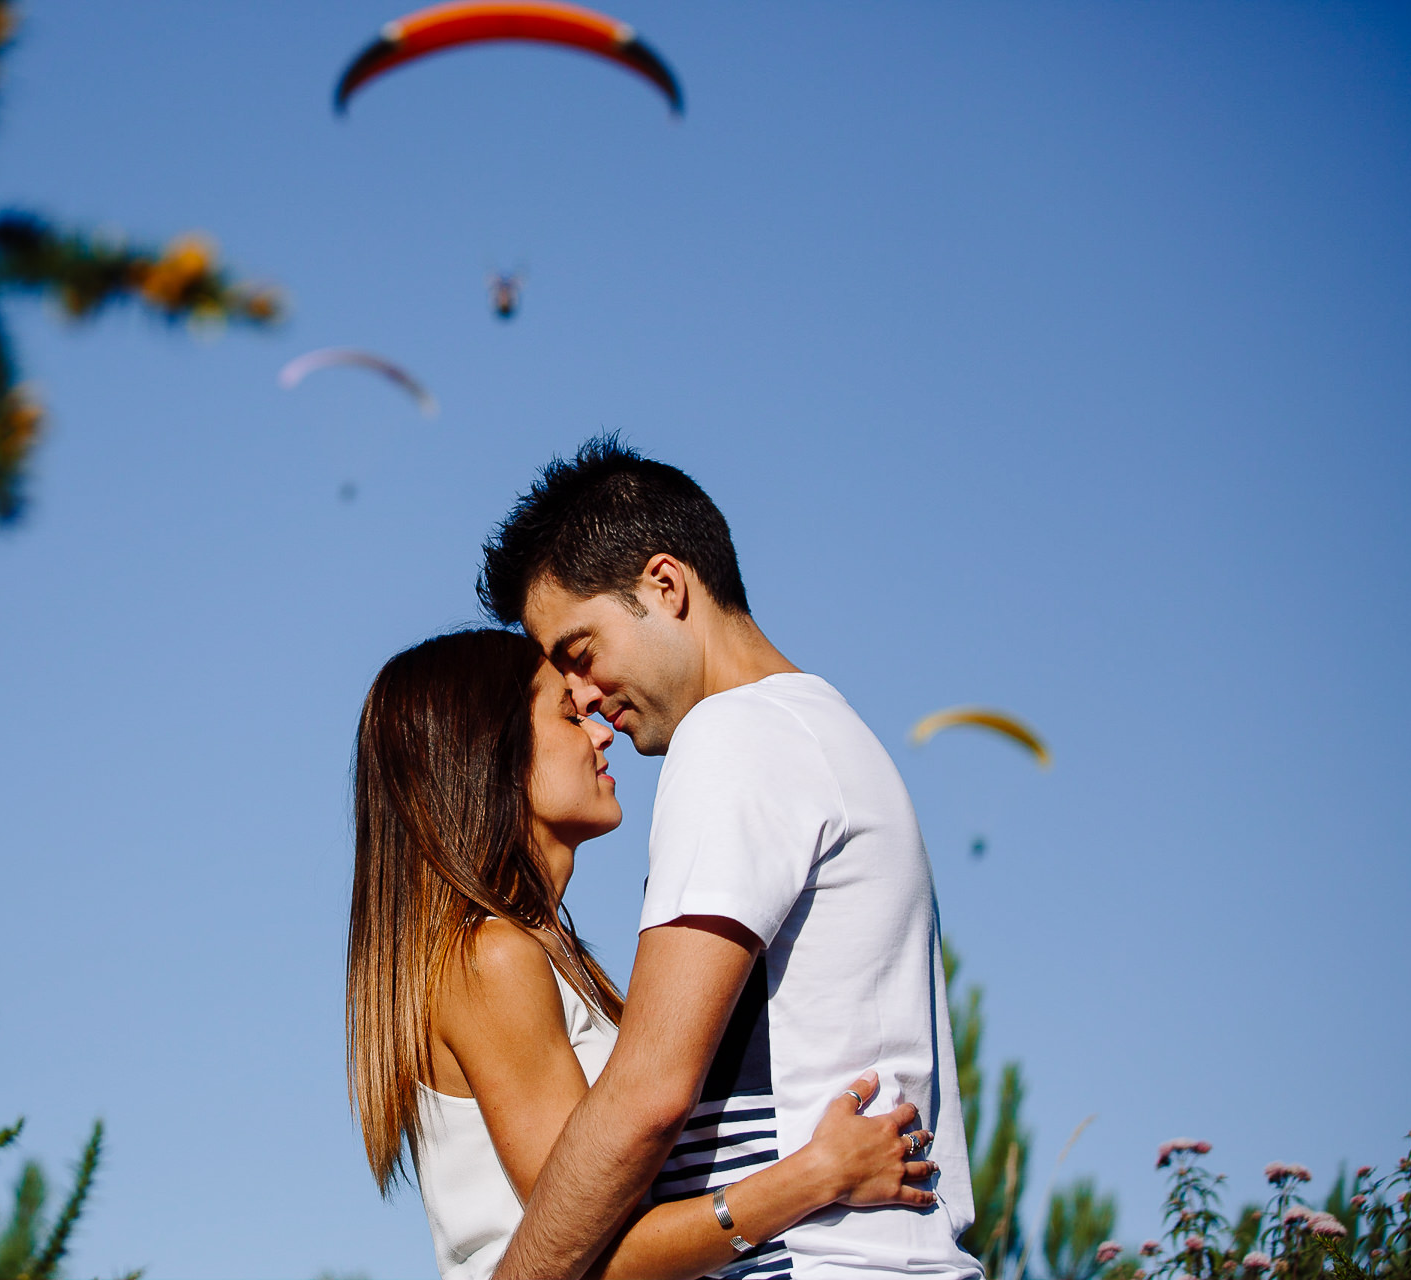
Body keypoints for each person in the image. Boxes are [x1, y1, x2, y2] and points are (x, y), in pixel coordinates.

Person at [475, 438, 981, 1280]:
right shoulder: (820, 729)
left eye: (582, 652)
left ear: (665, 586)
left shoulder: (735, 736)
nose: (586, 699)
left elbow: (647, 1094)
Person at [348, 628, 940, 1280]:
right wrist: (816, 1176)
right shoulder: (491, 959)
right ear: (493, 754)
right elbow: (588, 1248)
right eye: (569, 716)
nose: (601, 733)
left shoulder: (538, 957)